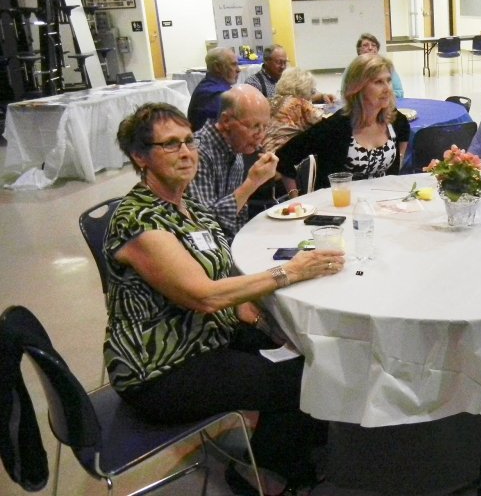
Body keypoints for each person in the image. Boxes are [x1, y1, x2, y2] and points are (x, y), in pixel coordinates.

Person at [106, 102, 345, 493]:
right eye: (170, 145)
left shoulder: (185, 205)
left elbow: (216, 265)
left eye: (188, 142)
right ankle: (260, 473)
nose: (186, 152)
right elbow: (204, 297)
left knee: (306, 346)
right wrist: (292, 270)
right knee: (301, 376)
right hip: (162, 368)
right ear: (140, 156)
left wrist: (255, 312)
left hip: (206, 337)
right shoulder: (139, 221)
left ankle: (294, 448)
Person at [276, 54, 410, 190]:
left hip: (383, 205)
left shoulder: (396, 121)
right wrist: (294, 199)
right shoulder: (335, 127)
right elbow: (284, 158)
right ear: (358, 88)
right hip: (341, 207)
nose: (387, 88)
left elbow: (396, 167)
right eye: (378, 82)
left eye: (388, 80)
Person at [187, 84, 278, 239]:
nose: (260, 135)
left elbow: (237, 218)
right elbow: (204, 223)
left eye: (264, 127)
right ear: (226, 120)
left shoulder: (234, 146)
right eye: (255, 126)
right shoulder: (197, 153)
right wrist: (252, 183)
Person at [263, 67, 324, 153]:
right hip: (282, 156)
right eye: (312, 91)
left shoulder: (270, 101)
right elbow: (322, 120)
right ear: (304, 88)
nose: (312, 95)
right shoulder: (299, 104)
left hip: (263, 154)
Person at [187, 47, 239, 131]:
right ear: (217, 67)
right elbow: (238, 124)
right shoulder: (214, 93)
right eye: (233, 64)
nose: (238, 69)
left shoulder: (212, 86)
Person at [348, 32, 404, 98]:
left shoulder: (386, 67)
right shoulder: (352, 69)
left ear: (377, 49)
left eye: (373, 45)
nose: (370, 48)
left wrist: (378, 96)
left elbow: (399, 92)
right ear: (359, 50)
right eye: (365, 45)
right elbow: (344, 93)